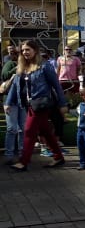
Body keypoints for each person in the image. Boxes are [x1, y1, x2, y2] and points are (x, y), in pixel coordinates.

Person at [5, 39, 68, 171]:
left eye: (27, 49)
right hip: (29, 105)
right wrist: (8, 102)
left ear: (35, 50)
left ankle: (23, 162)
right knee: (45, 131)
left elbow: (56, 86)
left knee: (28, 131)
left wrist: (63, 104)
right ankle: (58, 157)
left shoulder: (45, 66)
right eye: (22, 50)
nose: (25, 52)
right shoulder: (22, 67)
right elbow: (15, 85)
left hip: (41, 105)